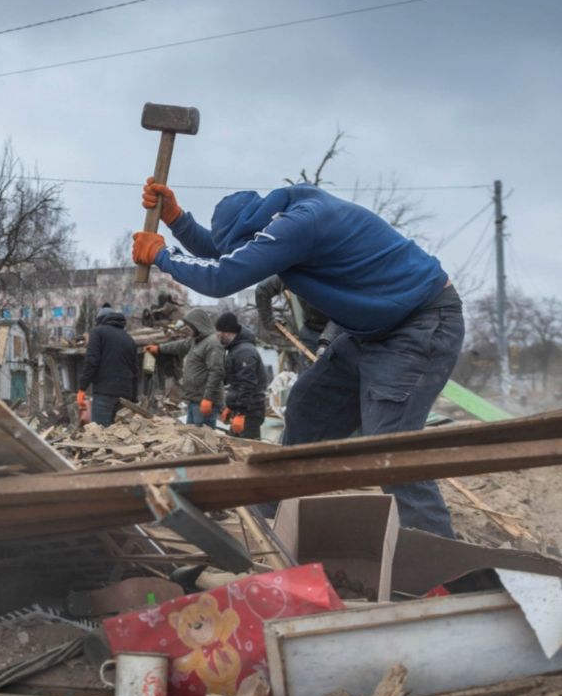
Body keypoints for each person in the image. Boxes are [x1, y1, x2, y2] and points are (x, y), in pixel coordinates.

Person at [133, 179, 463, 538]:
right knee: (308, 408)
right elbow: (225, 253)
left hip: (420, 322)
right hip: (371, 330)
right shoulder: (277, 219)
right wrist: (177, 220)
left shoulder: (301, 224)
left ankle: (441, 564)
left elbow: (223, 276)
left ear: (257, 232)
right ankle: (272, 523)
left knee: (389, 444)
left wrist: (163, 256)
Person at [144, 307, 224, 427]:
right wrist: (159, 348)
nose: (188, 329)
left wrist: (208, 398)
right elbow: (179, 345)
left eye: (191, 326)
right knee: (191, 436)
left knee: (202, 440)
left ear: (198, 325)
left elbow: (216, 372)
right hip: (194, 400)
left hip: (204, 402)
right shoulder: (196, 341)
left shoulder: (212, 343)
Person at [77, 306, 139, 427]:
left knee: (100, 436)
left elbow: (91, 362)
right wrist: (134, 399)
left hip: (104, 394)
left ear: (100, 321)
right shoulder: (129, 339)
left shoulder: (97, 332)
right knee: (119, 436)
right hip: (125, 396)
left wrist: (82, 389)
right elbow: (135, 372)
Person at [254, 275, 330, 365]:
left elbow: (345, 311)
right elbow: (262, 290)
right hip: (311, 331)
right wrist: (268, 322)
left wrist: (326, 339)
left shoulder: (337, 270)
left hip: (342, 331)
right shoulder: (297, 274)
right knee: (308, 376)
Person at [214, 311, 267, 439]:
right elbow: (236, 384)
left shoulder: (244, 352)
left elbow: (247, 384)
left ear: (227, 332)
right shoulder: (235, 349)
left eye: (218, 332)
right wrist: (231, 407)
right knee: (236, 449)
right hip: (243, 410)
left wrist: (241, 413)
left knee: (248, 451)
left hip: (250, 412)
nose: (217, 336)